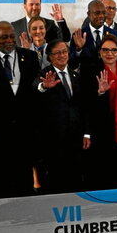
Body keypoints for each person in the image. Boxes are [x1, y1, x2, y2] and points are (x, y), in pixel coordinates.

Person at [0, 22, 40, 198]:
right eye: (3, 37)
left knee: (25, 179)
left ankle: (24, 213)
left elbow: (35, 91)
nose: (9, 40)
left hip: (25, 131)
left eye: (11, 36)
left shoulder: (30, 57)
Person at [35, 40, 91, 193]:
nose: (62, 55)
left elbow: (83, 107)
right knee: (56, 179)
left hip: (76, 138)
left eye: (64, 51)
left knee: (76, 177)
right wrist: (43, 87)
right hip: (53, 140)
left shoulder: (75, 75)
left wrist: (86, 133)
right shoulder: (44, 75)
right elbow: (35, 91)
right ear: (50, 56)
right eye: (57, 53)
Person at [80, 34, 117, 190]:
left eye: (113, 50)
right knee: (103, 171)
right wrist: (101, 93)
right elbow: (85, 104)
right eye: (105, 50)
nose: (110, 53)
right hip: (101, 128)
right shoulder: (91, 71)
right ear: (99, 52)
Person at [70, 0, 117, 68]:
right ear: (88, 14)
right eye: (97, 13)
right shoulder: (79, 35)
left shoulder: (115, 34)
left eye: (104, 13)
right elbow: (72, 65)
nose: (101, 16)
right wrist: (78, 50)